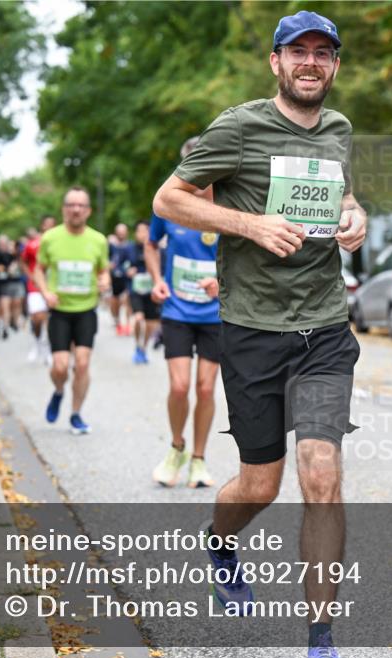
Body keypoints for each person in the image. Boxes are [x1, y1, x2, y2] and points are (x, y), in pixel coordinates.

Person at [153, 11, 367, 658]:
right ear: (275, 63)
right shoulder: (240, 126)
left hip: (326, 325)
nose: (311, 62)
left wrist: (355, 216)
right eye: (297, 52)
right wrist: (249, 225)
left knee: (322, 474)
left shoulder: (339, 129)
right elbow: (169, 199)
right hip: (251, 330)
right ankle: (221, 540)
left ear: (333, 65)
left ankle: (321, 636)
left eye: (323, 53)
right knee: (259, 485)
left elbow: (344, 197)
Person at [148, 136, 222, 488]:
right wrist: (156, 279)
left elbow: (243, 256)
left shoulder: (227, 205)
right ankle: (177, 447)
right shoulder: (169, 205)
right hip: (177, 308)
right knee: (179, 387)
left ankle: (199, 459)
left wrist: (223, 280)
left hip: (215, 314)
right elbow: (150, 245)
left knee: (206, 390)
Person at [32, 187, 109, 435]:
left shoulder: (98, 240)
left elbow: (103, 270)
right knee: (60, 367)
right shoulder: (50, 238)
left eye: (80, 205)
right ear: (64, 209)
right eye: (71, 205)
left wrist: (105, 281)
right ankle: (58, 391)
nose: (75, 209)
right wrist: (45, 292)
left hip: (87, 309)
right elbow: (38, 269)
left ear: (88, 211)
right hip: (60, 311)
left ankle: (76, 414)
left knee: (83, 364)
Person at [126, 220, 163, 365]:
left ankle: (143, 347)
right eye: (140, 231)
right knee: (139, 318)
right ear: (136, 233)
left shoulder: (157, 249)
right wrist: (128, 271)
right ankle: (137, 345)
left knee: (151, 324)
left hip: (152, 291)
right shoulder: (130, 249)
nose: (143, 234)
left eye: (146, 231)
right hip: (135, 290)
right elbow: (120, 265)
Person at [22, 216, 57, 364]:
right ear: (42, 227)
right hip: (35, 287)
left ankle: (48, 349)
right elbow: (23, 262)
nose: (49, 228)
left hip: (52, 286)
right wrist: (31, 276)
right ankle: (37, 342)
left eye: (52, 225)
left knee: (48, 319)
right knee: (37, 318)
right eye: (46, 225)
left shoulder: (59, 243)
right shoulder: (33, 244)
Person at [108, 223, 134, 336]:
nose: (121, 234)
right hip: (114, 277)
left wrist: (133, 269)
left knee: (127, 300)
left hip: (126, 277)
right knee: (115, 301)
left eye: (123, 232)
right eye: (119, 232)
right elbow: (104, 259)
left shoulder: (130, 246)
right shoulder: (111, 245)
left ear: (127, 233)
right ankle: (117, 320)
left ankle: (127, 324)